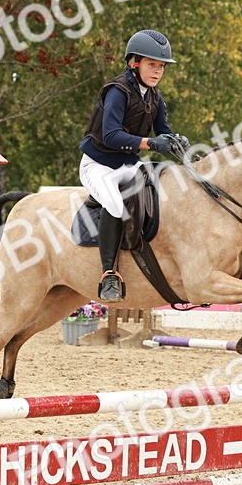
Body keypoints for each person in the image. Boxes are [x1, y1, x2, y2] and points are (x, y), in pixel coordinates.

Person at [78, 29, 188, 302]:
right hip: (98, 165)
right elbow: (112, 135)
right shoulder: (117, 91)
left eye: (161, 66)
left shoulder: (154, 97)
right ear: (133, 63)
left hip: (127, 165)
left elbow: (164, 132)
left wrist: (179, 144)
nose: (158, 71)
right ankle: (109, 275)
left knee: (159, 193)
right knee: (114, 204)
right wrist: (152, 144)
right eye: (152, 65)